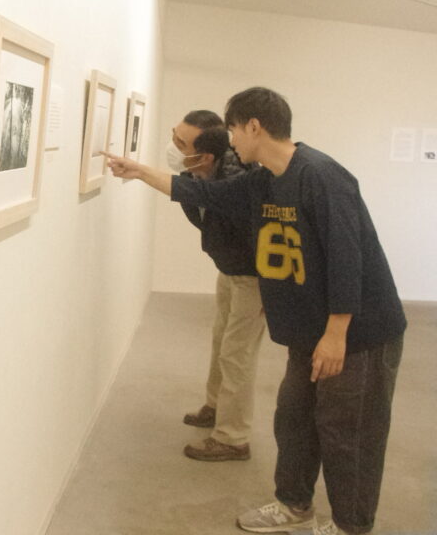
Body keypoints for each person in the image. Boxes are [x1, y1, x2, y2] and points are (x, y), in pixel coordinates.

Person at [104, 87, 406, 535]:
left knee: (349, 435)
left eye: (231, 130)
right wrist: (141, 172)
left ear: (253, 126)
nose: (229, 141)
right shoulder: (263, 179)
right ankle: (294, 507)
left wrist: (337, 333)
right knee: (294, 421)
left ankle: (350, 526)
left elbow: (348, 257)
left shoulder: (322, 176)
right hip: (309, 331)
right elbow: (209, 194)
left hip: (358, 333)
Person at [167, 110, 266, 462]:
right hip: (229, 269)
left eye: (181, 142)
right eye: (174, 136)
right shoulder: (198, 172)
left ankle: (233, 437)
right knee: (220, 340)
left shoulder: (235, 182)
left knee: (237, 354)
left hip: (252, 277)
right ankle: (215, 407)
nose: (173, 146)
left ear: (206, 154)